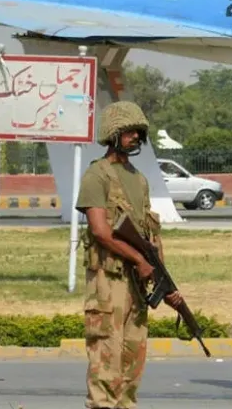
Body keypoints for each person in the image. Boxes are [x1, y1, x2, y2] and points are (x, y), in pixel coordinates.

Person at [75, 100, 183, 409]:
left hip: (138, 283)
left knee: (132, 359)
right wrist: (138, 260)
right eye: (129, 131)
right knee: (106, 357)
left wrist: (163, 279)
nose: (136, 137)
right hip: (108, 282)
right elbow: (100, 231)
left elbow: (151, 236)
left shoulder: (140, 180)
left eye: (139, 132)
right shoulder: (97, 175)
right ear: (113, 133)